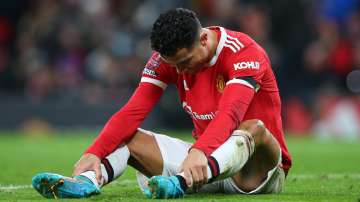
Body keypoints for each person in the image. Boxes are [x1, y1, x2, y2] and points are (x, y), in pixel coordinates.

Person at [32, 8, 292, 199]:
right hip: (201, 166)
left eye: (185, 62)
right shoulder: (166, 61)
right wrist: (94, 151)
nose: (181, 71)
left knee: (253, 127)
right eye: (174, 65)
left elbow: (230, 113)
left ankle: (179, 182)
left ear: (203, 39)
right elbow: (134, 110)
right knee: (127, 136)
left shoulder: (244, 52)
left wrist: (199, 152)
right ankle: (86, 182)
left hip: (254, 171)